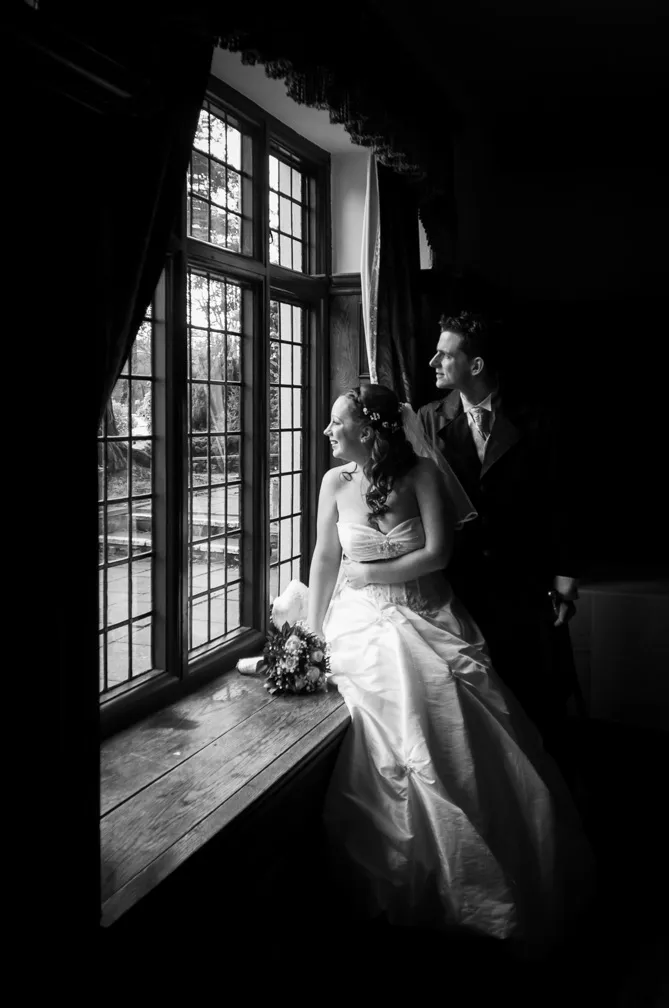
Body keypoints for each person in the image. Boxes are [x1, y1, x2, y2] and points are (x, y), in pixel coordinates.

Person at [302, 382, 590, 947]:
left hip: (423, 611)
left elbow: (437, 553)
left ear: (373, 430)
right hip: (358, 620)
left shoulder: (424, 477)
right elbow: (324, 558)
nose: (329, 432)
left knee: (446, 710)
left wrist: (374, 575)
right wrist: (312, 635)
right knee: (382, 721)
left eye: (339, 423)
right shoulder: (335, 482)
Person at [420, 311, 584, 780]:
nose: (434, 361)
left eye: (446, 354)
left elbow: (562, 499)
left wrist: (566, 576)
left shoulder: (537, 419)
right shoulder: (430, 420)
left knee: (535, 694)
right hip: (456, 584)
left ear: (475, 365)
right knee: (474, 699)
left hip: (523, 581)